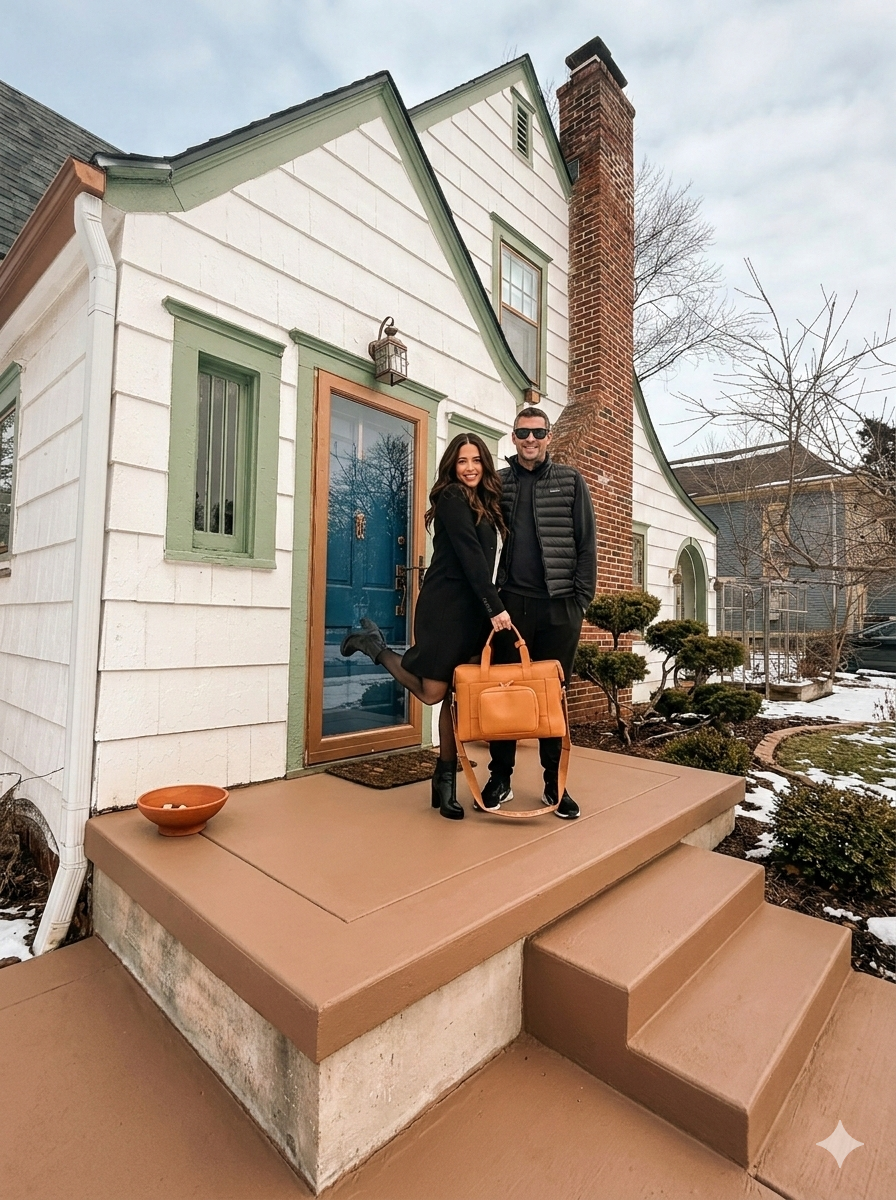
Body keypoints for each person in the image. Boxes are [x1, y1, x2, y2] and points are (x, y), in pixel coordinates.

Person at [340, 434, 512, 820]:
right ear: (452, 466)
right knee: (434, 692)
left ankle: (444, 781)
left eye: (476, 460)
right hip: (446, 608)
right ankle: (373, 646)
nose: (469, 467)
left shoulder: (486, 502)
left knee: (456, 698)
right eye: (462, 461)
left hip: (472, 612)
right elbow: (470, 556)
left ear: (485, 464)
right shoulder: (452, 497)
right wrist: (496, 607)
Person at [483, 406, 596, 819]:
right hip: (511, 606)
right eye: (523, 433)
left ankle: (554, 782)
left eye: (538, 433)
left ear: (549, 436)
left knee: (553, 696)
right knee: (504, 692)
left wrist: (580, 601)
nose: (530, 439)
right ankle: (501, 778)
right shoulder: (499, 482)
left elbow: (586, 542)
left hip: (560, 606)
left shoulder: (570, 481)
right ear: (513, 437)